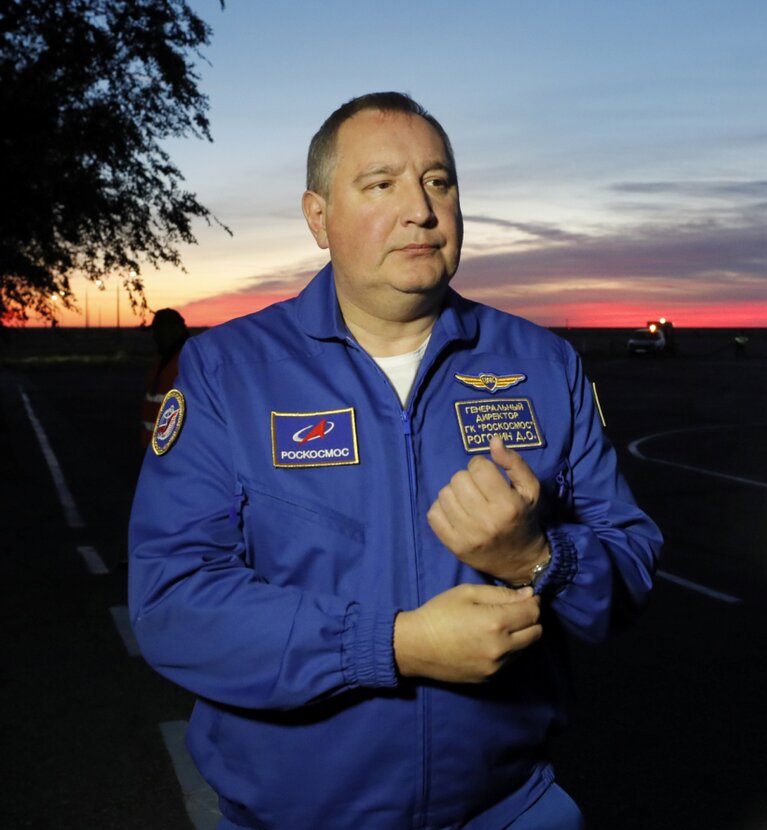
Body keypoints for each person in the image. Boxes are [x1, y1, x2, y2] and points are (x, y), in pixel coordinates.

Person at [128, 92, 662, 830]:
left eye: (438, 181)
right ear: (319, 218)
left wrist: (537, 557)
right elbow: (172, 602)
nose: (421, 210)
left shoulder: (543, 364)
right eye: (381, 184)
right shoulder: (226, 371)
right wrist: (393, 645)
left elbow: (630, 570)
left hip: (509, 809)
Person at [139, 308, 188, 449]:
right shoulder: (166, 360)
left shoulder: (187, 362)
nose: (154, 336)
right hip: (157, 450)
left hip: (172, 452)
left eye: (158, 331)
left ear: (171, 330)